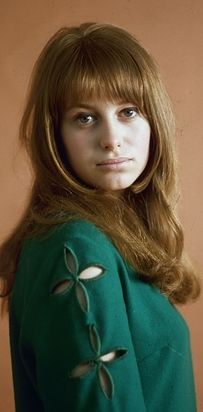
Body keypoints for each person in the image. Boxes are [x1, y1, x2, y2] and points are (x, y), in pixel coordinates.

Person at [0, 22, 201, 412]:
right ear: (54, 135)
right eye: (84, 118)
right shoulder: (75, 245)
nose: (111, 137)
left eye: (128, 111)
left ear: (153, 120)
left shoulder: (99, 236)